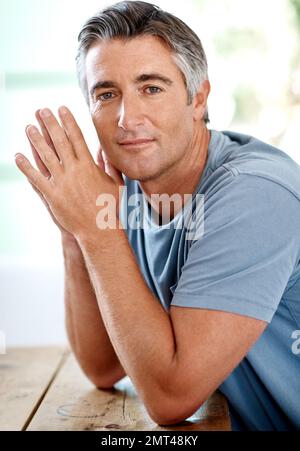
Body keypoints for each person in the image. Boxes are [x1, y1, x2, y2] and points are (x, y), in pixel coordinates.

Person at [14, 1, 300, 430]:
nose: (128, 119)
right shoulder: (124, 189)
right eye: (107, 94)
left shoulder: (255, 195)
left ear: (198, 97)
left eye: (151, 88)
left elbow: (170, 398)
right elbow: (103, 366)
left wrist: (97, 231)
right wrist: (73, 230)